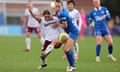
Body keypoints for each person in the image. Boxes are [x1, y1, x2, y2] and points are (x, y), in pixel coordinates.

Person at [52, 0, 79, 71]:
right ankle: (72, 64)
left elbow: (65, 25)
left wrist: (57, 24)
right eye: (56, 6)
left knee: (66, 48)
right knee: (65, 48)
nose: (57, 8)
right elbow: (55, 14)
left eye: (59, 6)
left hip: (73, 32)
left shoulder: (64, 14)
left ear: (61, 6)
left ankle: (72, 66)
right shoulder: (59, 12)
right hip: (68, 32)